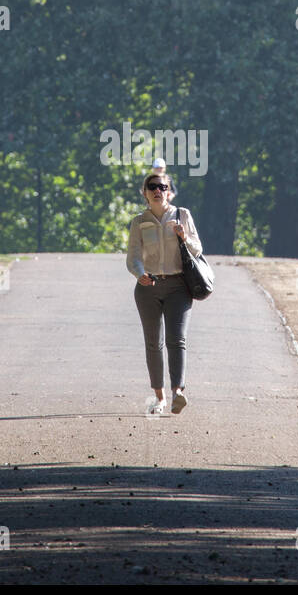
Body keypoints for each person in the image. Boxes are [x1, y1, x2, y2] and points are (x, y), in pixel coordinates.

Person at [125, 163, 203, 416]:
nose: (158, 191)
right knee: (153, 344)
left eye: (163, 187)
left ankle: (177, 392)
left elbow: (198, 250)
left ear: (169, 192)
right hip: (148, 287)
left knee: (176, 340)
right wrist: (140, 274)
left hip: (178, 286)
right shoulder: (139, 222)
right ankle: (159, 397)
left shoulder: (182, 215)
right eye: (153, 187)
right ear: (144, 192)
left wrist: (184, 237)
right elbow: (133, 257)